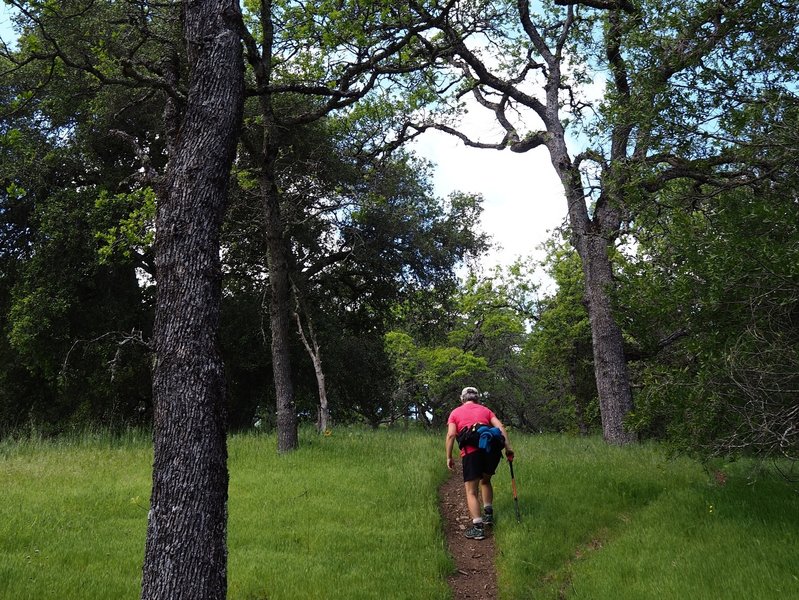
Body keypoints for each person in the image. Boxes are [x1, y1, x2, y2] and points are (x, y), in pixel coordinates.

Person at [445, 386, 514, 540]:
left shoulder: (455, 412)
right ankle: (488, 514)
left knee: (471, 491)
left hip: (471, 453)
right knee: (486, 480)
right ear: (477, 398)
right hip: (492, 451)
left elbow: (451, 435)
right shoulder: (486, 410)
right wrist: (508, 448)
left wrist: (449, 456)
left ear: (462, 399)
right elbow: (500, 426)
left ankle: (478, 528)